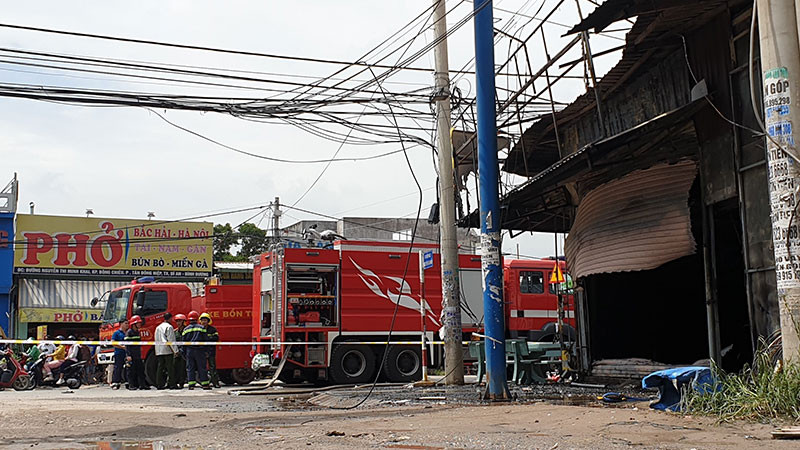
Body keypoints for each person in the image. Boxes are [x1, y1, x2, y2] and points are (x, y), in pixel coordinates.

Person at [182, 310, 210, 390]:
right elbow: (206, 340)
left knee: (190, 368)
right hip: (200, 350)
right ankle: (205, 384)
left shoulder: (185, 329)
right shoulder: (201, 328)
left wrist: (184, 352)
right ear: (197, 318)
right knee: (202, 367)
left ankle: (191, 385)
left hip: (189, 350)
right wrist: (207, 351)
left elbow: (183, 342)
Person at [154, 313, 179, 390]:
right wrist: (176, 351)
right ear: (170, 318)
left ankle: (159, 384)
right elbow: (171, 340)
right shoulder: (169, 327)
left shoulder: (158, 327)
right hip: (167, 350)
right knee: (170, 368)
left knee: (160, 367)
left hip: (159, 350)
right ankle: (172, 384)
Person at [125, 315, 148, 390]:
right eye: (138, 323)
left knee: (140, 370)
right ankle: (131, 385)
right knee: (131, 371)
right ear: (134, 324)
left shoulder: (137, 332)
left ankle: (142, 385)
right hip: (131, 355)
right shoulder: (129, 332)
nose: (140, 324)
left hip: (137, 354)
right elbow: (127, 345)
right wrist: (128, 355)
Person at [199, 312, 220, 388]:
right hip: (202, 351)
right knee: (203, 368)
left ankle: (215, 383)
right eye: (202, 320)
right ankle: (204, 383)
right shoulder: (199, 329)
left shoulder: (212, 329)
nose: (204, 322)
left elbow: (216, 338)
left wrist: (207, 339)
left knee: (212, 368)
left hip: (211, 351)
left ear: (208, 321)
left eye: (205, 320)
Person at [110, 320, 129, 389]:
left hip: (127, 354)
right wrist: (122, 347)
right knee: (118, 368)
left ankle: (128, 382)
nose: (127, 325)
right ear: (121, 324)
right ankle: (115, 382)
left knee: (127, 368)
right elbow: (113, 343)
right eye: (125, 323)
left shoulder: (128, 333)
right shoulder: (117, 333)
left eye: (128, 323)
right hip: (119, 353)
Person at [173, 314, 187, 388]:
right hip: (177, 352)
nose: (178, 323)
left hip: (184, 352)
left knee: (183, 368)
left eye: (180, 321)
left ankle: (182, 382)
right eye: (177, 321)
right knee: (176, 367)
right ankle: (176, 381)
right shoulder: (175, 332)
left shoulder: (186, 330)